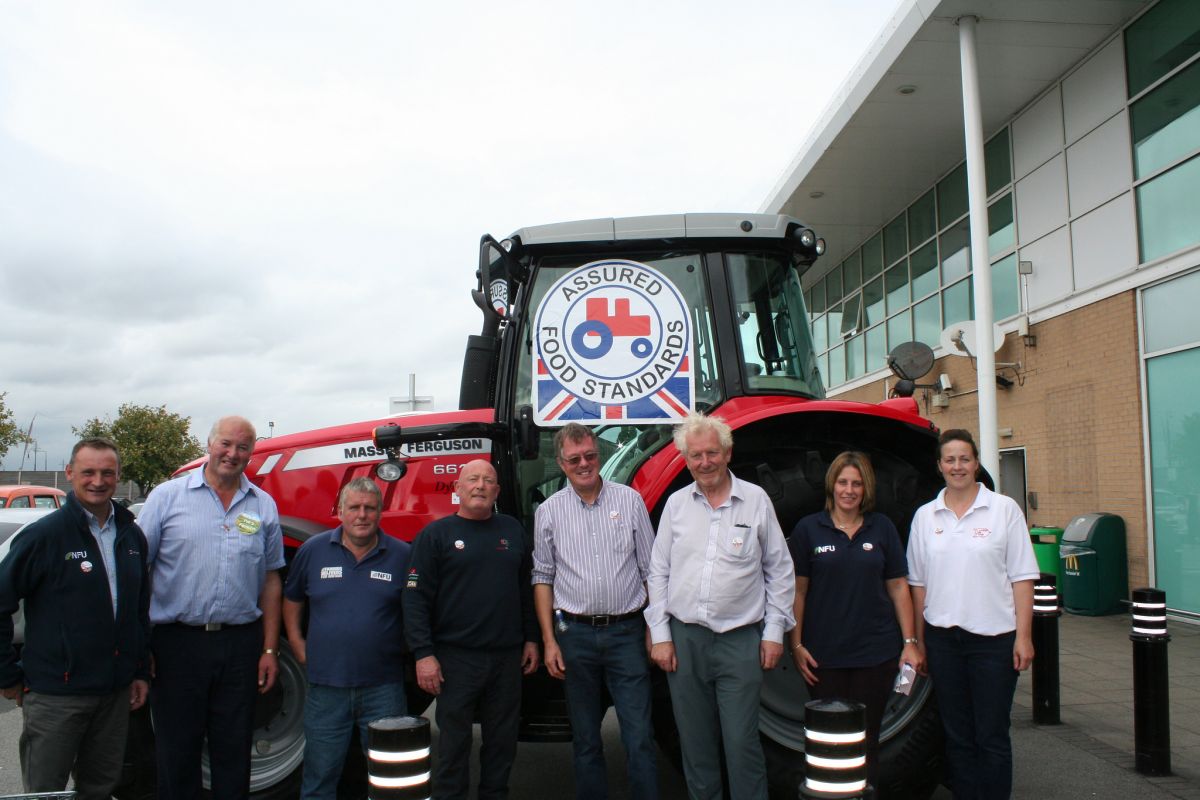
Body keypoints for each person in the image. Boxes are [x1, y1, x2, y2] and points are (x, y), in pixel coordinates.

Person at [645, 413, 795, 800]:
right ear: (686, 458)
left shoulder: (755, 501)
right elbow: (658, 571)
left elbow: (779, 570)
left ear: (728, 453)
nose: (704, 462)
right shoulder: (677, 505)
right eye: (695, 455)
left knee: (741, 744)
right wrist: (660, 635)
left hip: (739, 641)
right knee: (695, 746)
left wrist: (775, 633)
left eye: (712, 452)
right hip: (685, 642)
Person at [138, 415, 286, 800]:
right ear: (209, 443)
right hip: (176, 644)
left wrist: (269, 649)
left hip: (240, 646)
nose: (233, 454)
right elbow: (139, 571)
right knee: (177, 749)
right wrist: (142, 645)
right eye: (226, 444)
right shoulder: (166, 498)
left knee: (234, 748)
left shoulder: (262, 505)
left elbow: (272, 579)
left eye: (243, 447)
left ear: (252, 453)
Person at [0, 438, 150, 800]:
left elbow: (137, 612)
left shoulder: (131, 536)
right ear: (70, 474)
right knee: (45, 793)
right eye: (88, 472)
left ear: (118, 476)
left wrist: (140, 671)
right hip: (55, 696)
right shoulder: (44, 536)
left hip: (113, 695)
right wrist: (6, 674)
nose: (98, 480)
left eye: (107, 473)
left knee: (99, 790)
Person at [907, 429, 1039, 800]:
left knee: (992, 735)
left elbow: (1022, 576)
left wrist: (1024, 636)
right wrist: (917, 641)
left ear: (976, 463)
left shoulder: (1003, 510)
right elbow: (918, 585)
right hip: (944, 642)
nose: (957, 466)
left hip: (993, 641)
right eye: (950, 460)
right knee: (958, 736)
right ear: (939, 466)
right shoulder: (925, 516)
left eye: (964, 459)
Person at [532, 423, 658, 800]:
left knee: (639, 737)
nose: (584, 464)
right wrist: (549, 641)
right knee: (586, 741)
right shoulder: (549, 512)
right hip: (576, 637)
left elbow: (651, 570)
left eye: (589, 455)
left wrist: (655, 628)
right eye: (574, 459)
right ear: (561, 463)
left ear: (598, 454)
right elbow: (542, 577)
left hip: (627, 634)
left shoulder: (630, 501)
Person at [403, 459, 540, 800]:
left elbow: (527, 590)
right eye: (473, 480)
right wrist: (424, 654)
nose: (480, 485)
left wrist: (532, 639)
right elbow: (415, 599)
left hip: (506, 659)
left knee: (501, 744)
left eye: (488, 480)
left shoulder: (512, 531)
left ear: (497, 491)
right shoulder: (435, 535)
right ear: (458, 489)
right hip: (455, 660)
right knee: (453, 746)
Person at [787, 451, 920, 787]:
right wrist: (796, 643)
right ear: (832, 484)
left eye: (857, 483)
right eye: (843, 482)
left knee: (867, 740)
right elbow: (798, 592)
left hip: (875, 655)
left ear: (866, 489)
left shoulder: (882, 528)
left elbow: (898, 588)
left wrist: (910, 643)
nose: (849, 490)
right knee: (826, 740)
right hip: (823, 658)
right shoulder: (808, 530)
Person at [283, 477, 411, 800]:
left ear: (380, 512)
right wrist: (296, 643)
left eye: (370, 508)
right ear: (340, 511)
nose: (362, 515)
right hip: (326, 688)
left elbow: (418, 611)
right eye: (354, 507)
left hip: (384, 688)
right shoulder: (313, 550)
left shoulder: (402, 555)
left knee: (391, 779)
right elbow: (293, 598)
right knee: (320, 777)